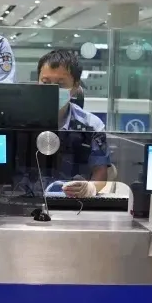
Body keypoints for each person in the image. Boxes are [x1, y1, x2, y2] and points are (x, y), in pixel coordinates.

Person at [37, 49, 110, 197]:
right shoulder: (18, 120)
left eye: (60, 85)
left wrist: (90, 188)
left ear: (75, 87)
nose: (52, 90)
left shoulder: (91, 126)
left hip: (73, 203)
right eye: (45, 82)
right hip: (24, 202)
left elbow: (100, 172)